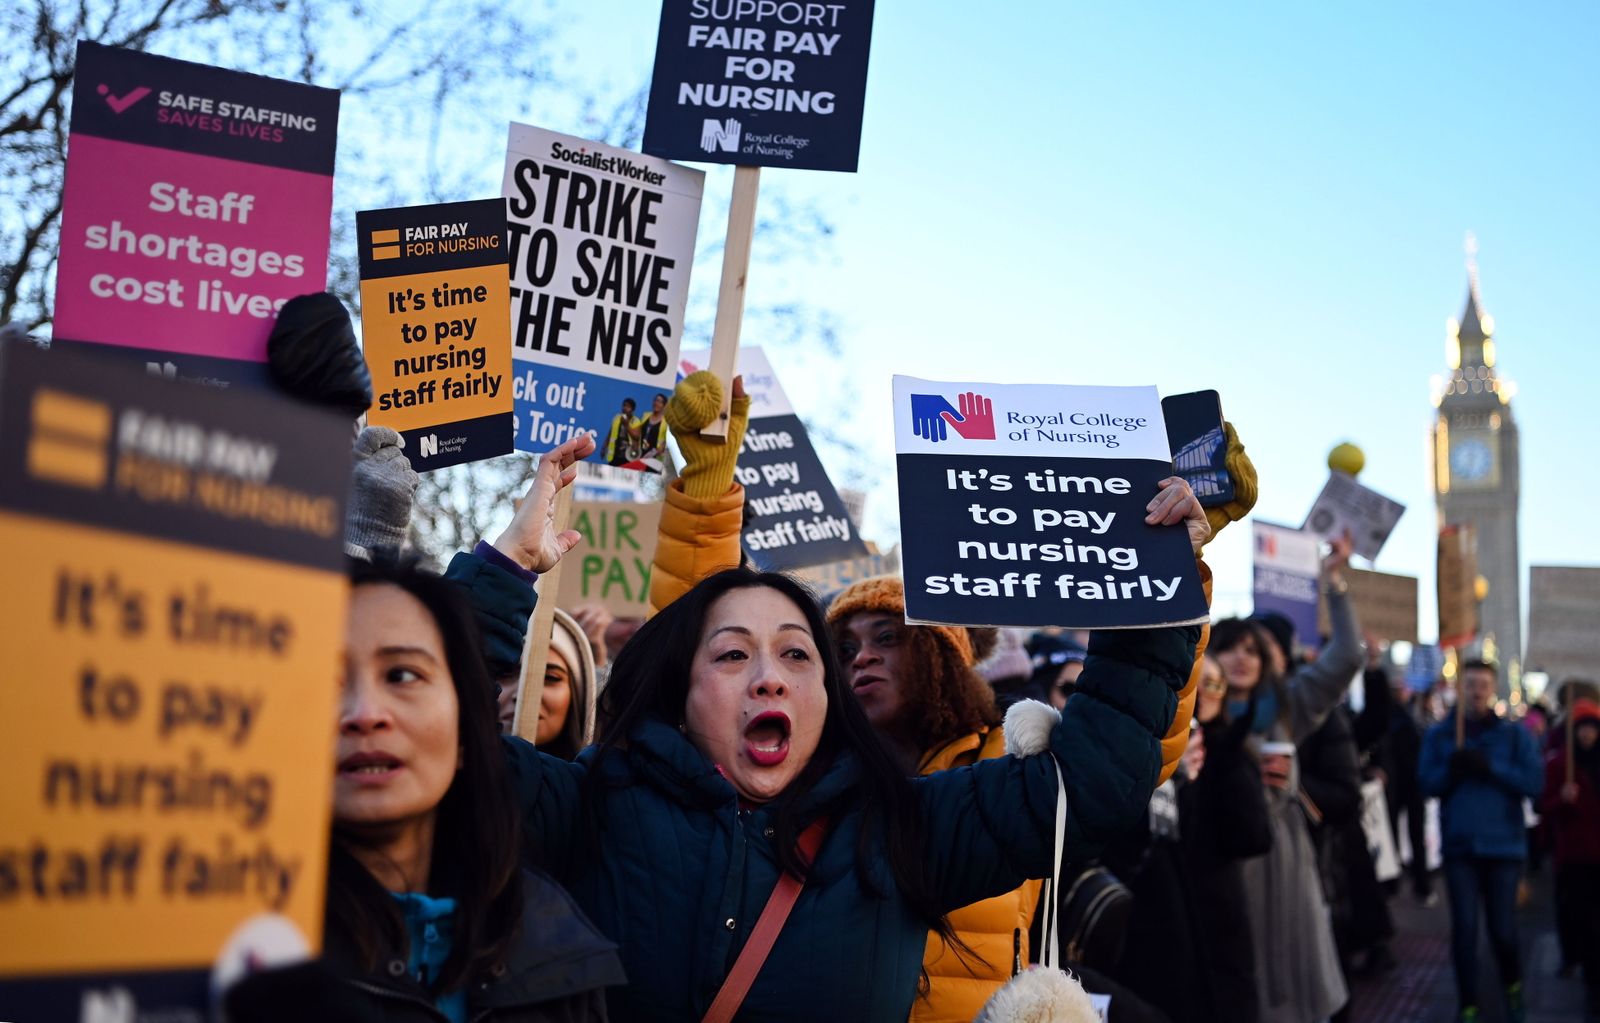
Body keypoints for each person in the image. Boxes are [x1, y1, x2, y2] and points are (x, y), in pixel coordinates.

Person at [485, 371, 1205, 1022]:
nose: (769, 677)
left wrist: (1157, 571)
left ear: (827, 698)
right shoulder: (596, 803)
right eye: (733, 655)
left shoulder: (901, 827)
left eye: (798, 654)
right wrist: (503, 569)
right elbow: (445, 743)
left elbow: (1096, 779)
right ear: (682, 687)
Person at [228, 557, 622, 1022]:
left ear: (466, 729)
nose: (365, 713)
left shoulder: (559, 948)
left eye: (402, 675)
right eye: (325, 682)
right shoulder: (233, 949)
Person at [827, 584, 1040, 1023]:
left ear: (940, 651)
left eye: (887, 637)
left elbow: (1127, 762)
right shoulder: (819, 777)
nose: (861, 658)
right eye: (845, 650)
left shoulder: (1012, 756)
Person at [1210, 533, 1363, 1023]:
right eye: (1229, 649)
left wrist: (1333, 582)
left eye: (1251, 650)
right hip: (1228, 866)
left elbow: (1347, 656)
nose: (1241, 658)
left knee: (1296, 984)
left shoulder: (1286, 707)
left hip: (1287, 863)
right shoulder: (1197, 717)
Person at [1419, 660, 1544, 1023]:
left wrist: (1492, 768)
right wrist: (1452, 770)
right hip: (1461, 848)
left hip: (1503, 847)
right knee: (1465, 931)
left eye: (1483, 685)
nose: (1476, 692)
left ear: (1492, 689)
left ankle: (1513, 988)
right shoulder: (1442, 735)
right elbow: (1426, 783)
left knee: (1502, 929)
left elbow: (1533, 783)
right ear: (1462, 688)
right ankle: (1468, 1004)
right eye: (1471, 684)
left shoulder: (1513, 737)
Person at [1540, 698, 1600, 1014]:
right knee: (1583, 918)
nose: (1587, 734)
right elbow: (1544, 806)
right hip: (1574, 855)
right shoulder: (1560, 764)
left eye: (1593, 728)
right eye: (1582, 728)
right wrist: (1562, 800)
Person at [633, 393, 670, 460]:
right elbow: (637, 434)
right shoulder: (645, 415)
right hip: (640, 454)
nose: (656, 403)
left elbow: (666, 442)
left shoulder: (666, 421)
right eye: (655, 400)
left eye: (660, 402)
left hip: (655, 457)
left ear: (664, 405)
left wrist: (655, 452)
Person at [603, 398, 638, 466]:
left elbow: (636, 437)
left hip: (627, 455)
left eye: (628, 406)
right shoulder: (617, 418)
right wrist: (604, 446)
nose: (625, 408)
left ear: (632, 409)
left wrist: (626, 425)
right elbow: (610, 433)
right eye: (624, 405)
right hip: (614, 453)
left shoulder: (636, 421)